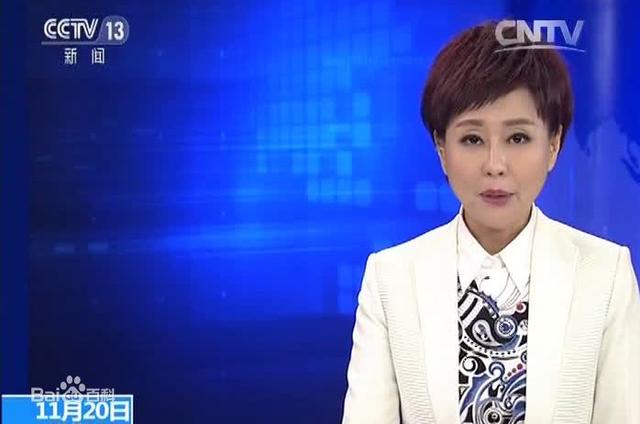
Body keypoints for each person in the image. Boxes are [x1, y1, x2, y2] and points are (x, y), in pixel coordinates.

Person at [341, 21, 640, 424]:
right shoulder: (391, 278)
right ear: (441, 148)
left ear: (553, 145)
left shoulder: (605, 274)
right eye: (472, 139)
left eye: (518, 138)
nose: (495, 165)